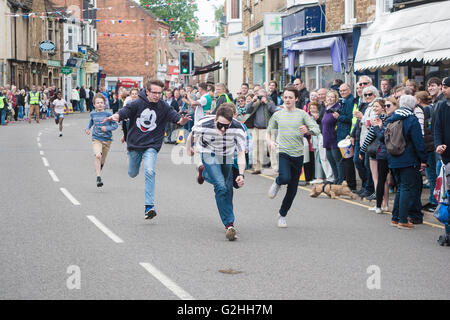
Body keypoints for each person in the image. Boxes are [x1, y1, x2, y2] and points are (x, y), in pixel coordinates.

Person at [103, 79, 191, 219]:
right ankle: (132, 162)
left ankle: (149, 206)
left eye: (159, 93)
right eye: (154, 93)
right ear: (147, 91)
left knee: (150, 171)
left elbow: (176, 118)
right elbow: (125, 111)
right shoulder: (137, 103)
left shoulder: (164, 107)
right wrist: (116, 116)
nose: (157, 96)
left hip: (152, 145)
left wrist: (182, 121)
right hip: (134, 145)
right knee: (132, 173)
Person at [186, 104, 246, 241]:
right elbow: (191, 136)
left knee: (228, 187)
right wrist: (189, 148)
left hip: (227, 155)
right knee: (220, 186)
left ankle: (203, 172)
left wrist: (241, 175)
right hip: (209, 153)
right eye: (220, 126)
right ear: (215, 121)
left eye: (227, 126)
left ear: (232, 122)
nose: (223, 129)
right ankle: (229, 224)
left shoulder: (238, 128)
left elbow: (241, 153)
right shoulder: (204, 124)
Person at [266, 86, 320, 228]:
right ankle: (278, 182)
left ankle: (282, 215)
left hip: (298, 154)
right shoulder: (278, 114)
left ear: (296, 99)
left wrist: (307, 130)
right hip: (283, 151)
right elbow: (269, 131)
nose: (287, 99)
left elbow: (316, 129)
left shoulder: (302, 114)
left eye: (290, 97)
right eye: (285, 97)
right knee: (285, 178)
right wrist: (271, 141)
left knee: (292, 190)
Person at [386, 95, 427, 229]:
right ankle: (403, 220)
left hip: (393, 158)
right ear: (412, 106)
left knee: (400, 188)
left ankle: (395, 218)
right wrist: (423, 159)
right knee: (406, 188)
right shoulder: (411, 119)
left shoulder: (391, 118)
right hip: (408, 159)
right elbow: (418, 142)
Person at [359, 98, 390, 213]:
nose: (374, 108)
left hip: (375, 151)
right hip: (383, 151)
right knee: (384, 179)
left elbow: (370, 136)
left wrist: (362, 150)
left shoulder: (377, 119)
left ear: (383, 107)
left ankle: (380, 204)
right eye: (373, 107)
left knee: (377, 178)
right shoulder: (386, 118)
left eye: (377, 106)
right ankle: (385, 204)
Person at [85, 93, 118, 187]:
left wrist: (107, 128)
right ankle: (98, 178)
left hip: (107, 140)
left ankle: (99, 168)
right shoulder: (92, 113)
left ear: (104, 104)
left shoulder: (108, 114)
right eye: (97, 103)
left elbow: (115, 125)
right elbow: (91, 121)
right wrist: (88, 128)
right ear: (94, 104)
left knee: (102, 160)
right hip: (96, 138)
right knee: (98, 156)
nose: (99, 104)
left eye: (101, 102)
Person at [244, 89, 279, 174]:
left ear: (266, 96)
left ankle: (276, 168)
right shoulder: (256, 103)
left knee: (271, 148)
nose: (261, 98)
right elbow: (247, 110)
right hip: (256, 128)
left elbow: (274, 110)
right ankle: (257, 168)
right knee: (257, 149)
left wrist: (266, 102)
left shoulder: (269, 102)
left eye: (263, 96)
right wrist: (253, 101)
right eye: (260, 96)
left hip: (267, 129)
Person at [433, 76, 450, 238]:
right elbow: (437, 129)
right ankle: (448, 231)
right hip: (447, 158)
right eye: (442, 87)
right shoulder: (442, 106)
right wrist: (438, 144)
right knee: (447, 195)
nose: (443, 90)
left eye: (445, 87)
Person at [416, 91, 438, 212]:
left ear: (419, 100)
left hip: (429, 146)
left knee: (432, 175)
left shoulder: (425, 110)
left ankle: (434, 201)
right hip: (430, 145)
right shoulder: (429, 109)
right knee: (432, 175)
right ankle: (433, 199)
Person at [336, 83, 357, 191]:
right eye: (341, 91)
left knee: (348, 162)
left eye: (344, 90)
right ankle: (345, 183)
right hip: (341, 134)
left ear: (349, 90)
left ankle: (351, 185)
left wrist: (339, 117)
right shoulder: (344, 101)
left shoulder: (350, 101)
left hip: (347, 135)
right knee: (344, 161)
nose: (342, 92)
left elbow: (350, 118)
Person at [322, 89, 343, 185]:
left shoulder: (337, 107)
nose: (330, 98)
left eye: (332, 97)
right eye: (328, 96)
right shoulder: (326, 108)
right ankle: (336, 179)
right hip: (326, 138)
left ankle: (340, 181)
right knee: (330, 160)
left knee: (337, 161)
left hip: (334, 138)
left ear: (336, 98)